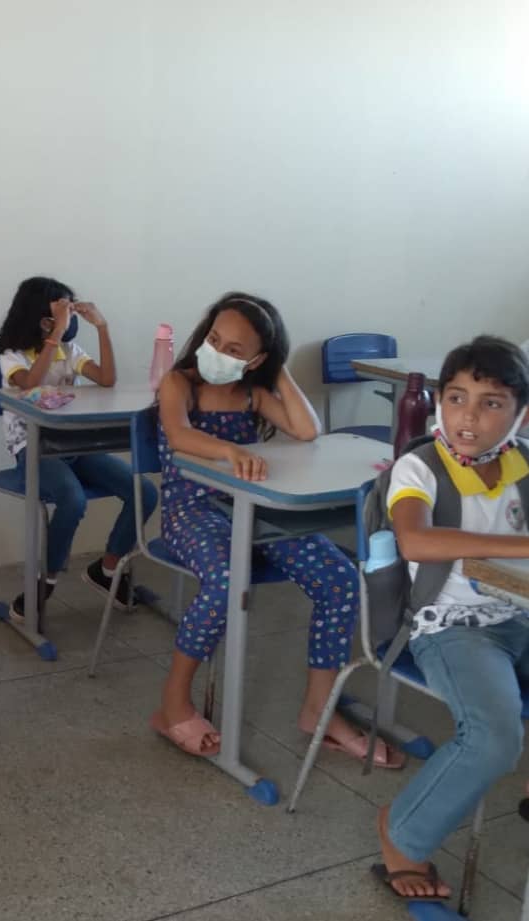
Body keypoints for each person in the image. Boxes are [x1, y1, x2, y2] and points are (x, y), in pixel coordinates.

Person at [152, 292, 395, 766]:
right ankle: (173, 704)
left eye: (234, 350)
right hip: (191, 509)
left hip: (254, 509)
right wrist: (230, 450)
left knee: (340, 580)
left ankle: (318, 711)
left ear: (256, 360)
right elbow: (179, 436)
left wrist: (276, 369)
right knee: (225, 579)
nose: (216, 352)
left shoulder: (252, 392)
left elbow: (307, 430)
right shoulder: (179, 383)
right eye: (213, 339)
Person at [374, 336, 529, 901]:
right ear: (439, 401)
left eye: (492, 403)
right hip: (450, 625)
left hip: (518, 610)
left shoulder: (520, 463)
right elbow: (415, 540)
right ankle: (403, 836)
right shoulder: (419, 467)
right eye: (457, 398)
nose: (469, 416)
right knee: (494, 737)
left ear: (520, 414)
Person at [0, 276, 157, 621]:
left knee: (144, 491)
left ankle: (107, 569)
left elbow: (107, 379)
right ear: (41, 319)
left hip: (76, 444)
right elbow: (31, 383)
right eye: (60, 313)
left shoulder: (70, 352)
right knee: (72, 498)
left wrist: (102, 327)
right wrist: (56, 334)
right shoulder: (12, 357)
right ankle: (44, 582)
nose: (68, 322)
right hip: (34, 448)